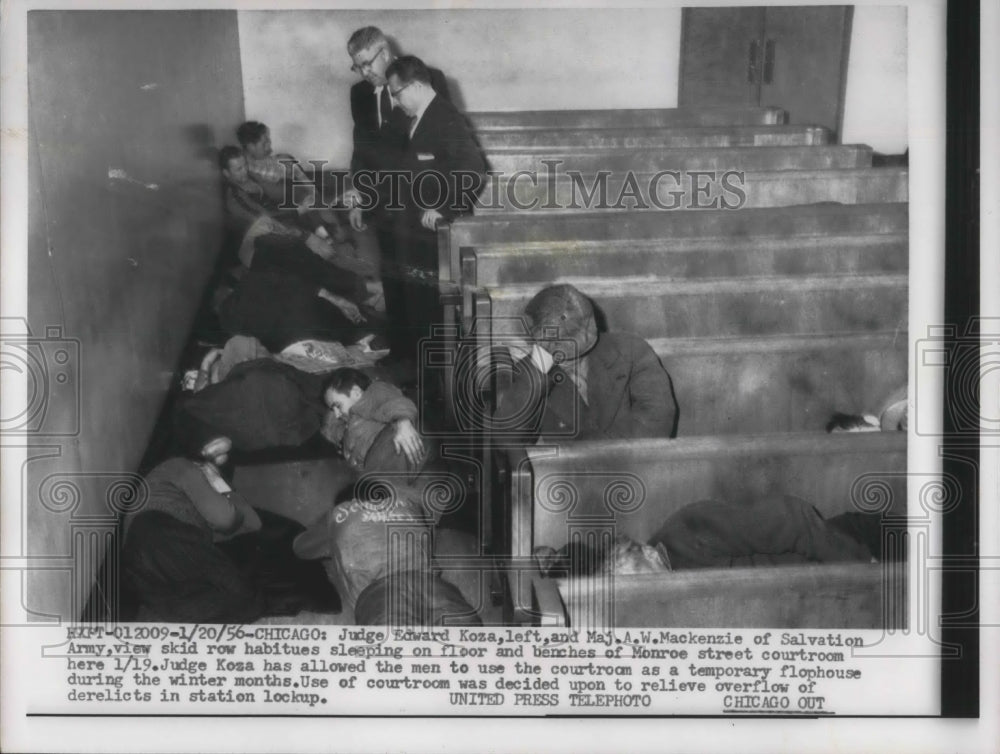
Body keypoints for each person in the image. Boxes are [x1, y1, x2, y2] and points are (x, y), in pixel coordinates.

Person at [341, 28, 452, 361]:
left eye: (367, 64)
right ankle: (403, 354)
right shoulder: (359, 94)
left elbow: (444, 144)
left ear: (385, 52)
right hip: (384, 206)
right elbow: (361, 147)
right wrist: (358, 191)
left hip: (420, 206)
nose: (364, 73)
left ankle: (432, 362)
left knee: (424, 288)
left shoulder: (429, 79)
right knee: (395, 283)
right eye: (356, 66)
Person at [381, 55, 486, 362]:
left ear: (414, 86)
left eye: (397, 93)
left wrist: (444, 209)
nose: (397, 102)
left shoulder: (445, 117)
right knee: (421, 312)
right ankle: (428, 380)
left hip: (433, 239)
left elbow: (474, 169)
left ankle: (438, 388)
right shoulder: (419, 120)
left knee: (433, 314)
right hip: (415, 236)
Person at [492, 283, 678, 444]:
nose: (587, 333)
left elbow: (659, 418)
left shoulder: (629, 349)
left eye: (588, 323)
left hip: (634, 469)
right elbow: (506, 440)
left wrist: (595, 457)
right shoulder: (528, 374)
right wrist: (539, 366)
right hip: (567, 479)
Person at [121, 434, 266, 622]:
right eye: (217, 454)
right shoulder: (179, 467)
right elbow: (227, 519)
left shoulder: (197, 507)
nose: (220, 460)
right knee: (247, 597)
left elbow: (253, 525)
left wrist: (221, 486)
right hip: (157, 536)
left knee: (236, 603)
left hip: (143, 569)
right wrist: (215, 480)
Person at [236, 121, 352, 247]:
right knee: (306, 193)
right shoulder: (245, 165)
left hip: (293, 182)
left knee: (336, 181)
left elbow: (278, 166)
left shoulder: (259, 158)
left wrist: (285, 162)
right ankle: (325, 231)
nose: (269, 145)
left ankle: (332, 219)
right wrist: (285, 166)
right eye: (264, 143)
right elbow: (271, 177)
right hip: (288, 191)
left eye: (268, 140)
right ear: (250, 146)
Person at [320, 367, 426, 475]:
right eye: (333, 410)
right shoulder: (347, 420)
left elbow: (393, 401)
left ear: (356, 392)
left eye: (338, 406)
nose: (337, 414)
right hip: (373, 472)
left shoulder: (373, 393)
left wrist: (403, 423)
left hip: (393, 460)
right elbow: (330, 428)